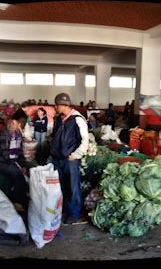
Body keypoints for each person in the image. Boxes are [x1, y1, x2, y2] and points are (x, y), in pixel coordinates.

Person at [49, 93, 90, 224]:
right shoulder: (59, 119)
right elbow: (54, 136)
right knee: (62, 186)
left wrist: (75, 155)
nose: (55, 107)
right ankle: (65, 210)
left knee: (73, 187)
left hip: (70, 159)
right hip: (57, 158)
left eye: (57, 105)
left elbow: (85, 141)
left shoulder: (77, 119)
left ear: (63, 105)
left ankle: (74, 213)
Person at [0, 110, 32, 212]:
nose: (17, 126)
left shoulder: (18, 134)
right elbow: (6, 155)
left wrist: (23, 164)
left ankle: (23, 195)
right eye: (14, 123)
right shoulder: (4, 135)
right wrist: (18, 167)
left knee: (27, 170)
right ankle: (17, 201)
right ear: (10, 122)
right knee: (17, 174)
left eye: (19, 124)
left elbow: (19, 151)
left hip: (12, 161)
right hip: (1, 162)